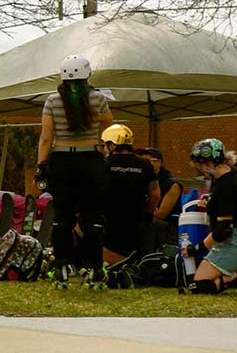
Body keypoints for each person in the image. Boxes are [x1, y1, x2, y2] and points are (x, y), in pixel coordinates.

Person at [35, 55, 114, 283]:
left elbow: (46, 137)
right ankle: (93, 266)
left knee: (62, 215)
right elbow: (110, 125)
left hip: (62, 159)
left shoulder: (52, 101)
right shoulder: (98, 98)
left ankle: (63, 264)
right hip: (91, 159)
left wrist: (41, 165)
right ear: (88, 74)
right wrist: (100, 142)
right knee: (93, 216)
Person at [189, 138, 237, 292]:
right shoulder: (232, 173)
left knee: (197, 286)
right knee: (196, 282)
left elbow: (223, 230)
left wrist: (196, 248)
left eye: (199, 167)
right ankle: (233, 276)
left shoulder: (225, 184)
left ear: (208, 163)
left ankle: (235, 277)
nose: (199, 171)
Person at [100, 125, 159, 266]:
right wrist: (147, 215)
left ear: (112, 145)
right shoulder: (145, 165)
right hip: (136, 220)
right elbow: (155, 194)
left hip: (109, 220)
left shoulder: (104, 165)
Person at [139, 148, 182, 250]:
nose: (145, 164)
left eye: (149, 161)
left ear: (159, 163)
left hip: (168, 229)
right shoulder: (141, 181)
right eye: (142, 161)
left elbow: (161, 214)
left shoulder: (172, 185)